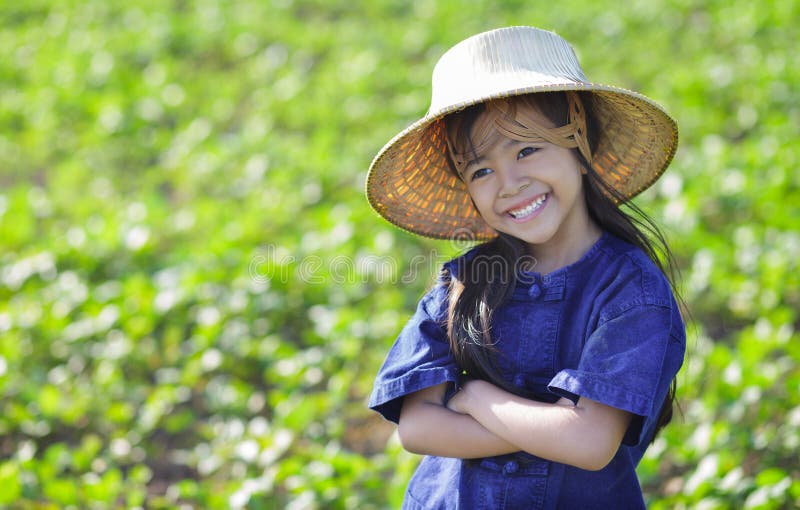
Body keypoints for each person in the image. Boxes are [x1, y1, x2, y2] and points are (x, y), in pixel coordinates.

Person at [365, 26, 686, 509]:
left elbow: (590, 444)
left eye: (527, 149)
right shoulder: (462, 283)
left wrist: (476, 399)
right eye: (481, 170)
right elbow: (417, 427)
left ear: (581, 147)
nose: (510, 183)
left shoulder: (632, 290)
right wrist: (549, 424)